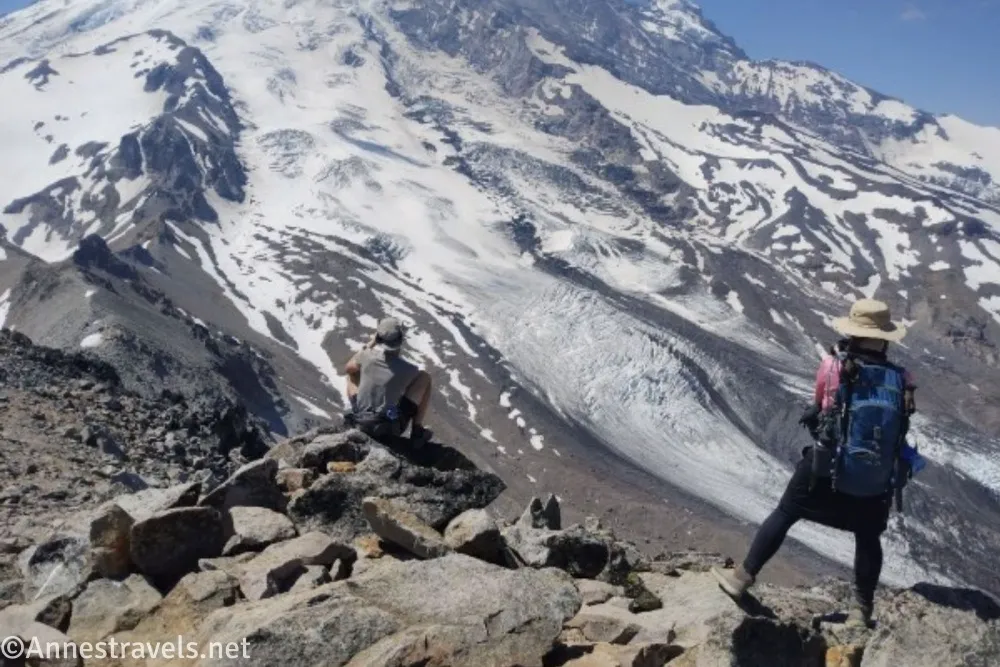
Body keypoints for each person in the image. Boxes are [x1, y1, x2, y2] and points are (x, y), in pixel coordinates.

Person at [712, 299, 917, 626]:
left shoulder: (834, 367)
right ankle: (862, 609)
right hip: (875, 479)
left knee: (786, 511)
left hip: (828, 468)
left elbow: (822, 405)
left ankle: (742, 577)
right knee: (868, 538)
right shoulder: (902, 377)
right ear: (885, 336)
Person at [344, 317, 433, 445]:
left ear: (379, 339)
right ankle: (417, 431)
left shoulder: (366, 355)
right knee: (425, 378)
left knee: (351, 374)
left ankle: (357, 410)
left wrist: (372, 342)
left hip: (361, 421)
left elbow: (348, 367)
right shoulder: (410, 370)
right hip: (388, 429)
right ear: (401, 340)